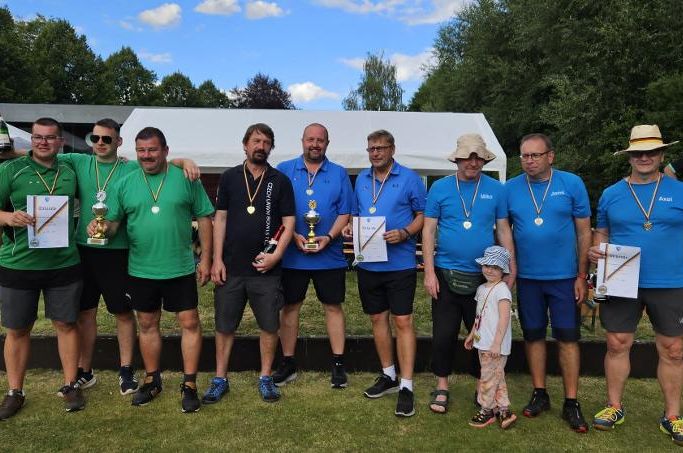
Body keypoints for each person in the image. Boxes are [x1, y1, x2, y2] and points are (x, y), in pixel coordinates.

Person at [0, 119, 201, 397]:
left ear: (119, 142)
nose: (100, 143)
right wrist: (10, 151)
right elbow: (42, 151)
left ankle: (126, 370)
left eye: (107, 139)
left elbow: (159, 161)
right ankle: (85, 371)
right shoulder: (77, 161)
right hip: (82, 250)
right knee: (85, 313)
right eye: (95, 138)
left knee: (122, 312)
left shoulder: (131, 167)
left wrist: (184, 161)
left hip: (118, 251)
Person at [92, 127, 214, 413]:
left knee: (190, 323)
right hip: (141, 268)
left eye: (152, 150)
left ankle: (189, 384)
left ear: (165, 151)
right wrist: (100, 227)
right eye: (141, 150)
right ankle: (152, 379)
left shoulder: (185, 177)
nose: (146, 155)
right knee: (147, 324)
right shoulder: (125, 183)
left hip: (180, 267)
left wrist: (206, 260)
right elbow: (113, 224)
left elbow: (205, 219)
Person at [589, 124, 683, 446]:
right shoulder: (611, 194)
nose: (644, 157)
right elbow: (602, 233)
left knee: (674, 349)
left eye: (651, 152)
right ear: (629, 156)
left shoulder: (679, 190)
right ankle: (614, 406)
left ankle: (673, 416)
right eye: (638, 152)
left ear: (662, 155)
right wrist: (596, 251)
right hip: (621, 278)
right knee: (617, 343)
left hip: (671, 281)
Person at [422, 133, 516, 414]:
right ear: (457, 159)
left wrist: (510, 269)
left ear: (484, 160)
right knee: (443, 334)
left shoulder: (496, 189)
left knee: (483, 336)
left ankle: (482, 387)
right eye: (467, 157)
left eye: (478, 158)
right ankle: (442, 385)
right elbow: (428, 231)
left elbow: (503, 230)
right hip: (445, 273)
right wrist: (429, 272)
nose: (473, 163)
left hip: (485, 277)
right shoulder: (439, 187)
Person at [505, 133, 591, 432]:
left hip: (564, 278)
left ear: (550, 156)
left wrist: (582, 276)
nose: (529, 161)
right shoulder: (510, 188)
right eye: (524, 156)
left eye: (535, 155)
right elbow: (503, 231)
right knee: (533, 336)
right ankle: (539, 393)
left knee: (568, 338)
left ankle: (571, 402)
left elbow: (584, 233)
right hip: (528, 278)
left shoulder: (572, 183)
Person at [0, 117, 85, 419]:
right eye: (38, 137)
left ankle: (70, 385)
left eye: (50, 137)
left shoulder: (71, 168)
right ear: (31, 139)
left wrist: (180, 160)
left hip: (64, 262)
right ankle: (15, 391)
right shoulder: (11, 169)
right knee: (18, 329)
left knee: (66, 325)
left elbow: (111, 165)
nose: (43, 142)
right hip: (19, 263)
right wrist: (7, 218)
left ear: (60, 141)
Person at [204, 123, 295, 404]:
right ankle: (220, 378)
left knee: (269, 325)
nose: (261, 146)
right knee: (224, 325)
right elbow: (220, 219)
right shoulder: (230, 177)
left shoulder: (280, 180)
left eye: (266, 142)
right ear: (245, 144)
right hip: (231, 267)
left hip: (265, 269)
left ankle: (265, 377)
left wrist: (276, 256)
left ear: (271, 147)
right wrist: (217, 259)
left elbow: (289, 222)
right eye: (256, 141)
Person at [342, 129, 426, 417]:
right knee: (377, 318)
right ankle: (388, 374)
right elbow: (356, 214)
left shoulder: (410, 178)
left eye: (380, 148)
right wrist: (350, 227)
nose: (375, 153)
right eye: (371, 148)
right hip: (369, 262)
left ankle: (407, 385)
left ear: (392, 149)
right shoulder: (362, 179)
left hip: (400, 263)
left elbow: (422, 215)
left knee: (402, 321)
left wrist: (405, 233)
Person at [273, 123, 353, 389]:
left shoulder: (339, 173)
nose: (315, 144)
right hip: (292, 255)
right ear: (302, 141)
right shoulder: (284, 169)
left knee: (333, 306)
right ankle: (287, 362)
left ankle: (338, 363)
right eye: (310, 139)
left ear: (327, 143)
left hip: (329, 256)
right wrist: (292, 235)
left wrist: (328, 237)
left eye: (320, 140)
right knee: (290, 307)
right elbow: (275, 209)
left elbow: (345, 212)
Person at [464, 246, 516, 429]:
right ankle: (504, 411)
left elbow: (504, 319)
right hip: (483, 342)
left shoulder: (502, 291)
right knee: (496, 377)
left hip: (494, 346)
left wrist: (496, 344)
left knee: (487, 379)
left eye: (495, 267)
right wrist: (472, 335)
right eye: (487, 266)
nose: (490, 270)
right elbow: (479, 316)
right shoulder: (481, 289)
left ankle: (486, 410)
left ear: (503, 270)